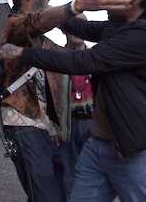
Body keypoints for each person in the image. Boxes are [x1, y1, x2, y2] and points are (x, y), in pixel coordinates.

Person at [0, 0, 145, 202]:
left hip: (128, 148)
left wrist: (22, 53)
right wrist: (78, 6)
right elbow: (76, 27)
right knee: (54, 192)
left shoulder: (137, 35)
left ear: (131, 0)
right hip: (90, 140)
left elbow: (82, 60)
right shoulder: (115, 28)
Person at [60, 17, 95, 199]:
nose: (78, 30)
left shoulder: (96, 56)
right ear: (64, 30)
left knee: (94, 174)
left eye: (82, 25)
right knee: (68, 174)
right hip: (68, 125)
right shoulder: (57, 59)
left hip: (94, 123)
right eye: (73, 25)